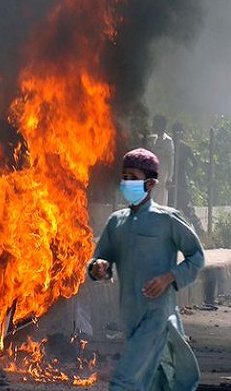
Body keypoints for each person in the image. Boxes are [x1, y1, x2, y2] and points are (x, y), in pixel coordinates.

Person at [88, 147, 205, 390]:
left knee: (124, 380)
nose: (126, 182)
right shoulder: (116, 222)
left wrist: (169, 277)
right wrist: (98, 268)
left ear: (150, 184)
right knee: (156, 380)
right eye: (124, 177)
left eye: (133, 178)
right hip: (130, 315)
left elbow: (197, 256)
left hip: (157, 316)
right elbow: (101, 259)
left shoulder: (167, 219)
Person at [170, 122, 204, 235]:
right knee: (171, 206)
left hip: (181, 180)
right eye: (177, 132)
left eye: (180, 132)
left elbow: (195, 163)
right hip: (171, 179)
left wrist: (190, 173)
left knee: (187, 207)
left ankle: (199, 231)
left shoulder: (184, 147)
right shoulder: (170, 144)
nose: (179, 135)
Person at [145, 115, 174, 205]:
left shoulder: (168, 141)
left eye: (156, 124)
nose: (154, 126)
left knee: (160, 202)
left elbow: (170, 161)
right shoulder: (151, 139)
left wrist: (169, 178)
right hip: (150, 175)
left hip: (162, 177)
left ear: (162, 126)